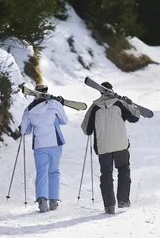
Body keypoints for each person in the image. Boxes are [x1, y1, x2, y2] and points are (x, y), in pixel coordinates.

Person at [81, 81, 140, 214]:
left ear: (100, 92)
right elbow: (135, 117)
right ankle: (123, 200)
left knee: (106, 175)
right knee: (124, 169)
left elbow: (86, 130)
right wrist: (130, 104)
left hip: (103, 147)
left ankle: (109, 206)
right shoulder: (119, 103)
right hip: (121, 145)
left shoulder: (94, 108)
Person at [20, 84, 68, 212]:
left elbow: (24, 130)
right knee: (54, 172)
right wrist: (59, 105)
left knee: (41, 172)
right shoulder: (54, 104)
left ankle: (42, 202)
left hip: (40, 145)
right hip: (55, 143)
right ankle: (53, 201)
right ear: (46, 91)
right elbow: (64, 120)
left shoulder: (29, 109)